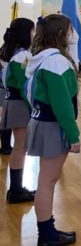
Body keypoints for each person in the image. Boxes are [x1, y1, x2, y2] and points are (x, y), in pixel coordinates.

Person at [25, 14, 81, 245]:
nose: (72, 35)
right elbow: (62, 104)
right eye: (70, 30)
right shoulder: (56, 62)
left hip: (42, 121)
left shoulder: (42, 58)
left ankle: (47, 231)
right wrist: (73, 134)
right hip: (52, 126)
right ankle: (47, 236)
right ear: (61, 33)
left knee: (47, 180)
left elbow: (27, 93)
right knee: (47, 182)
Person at [1, 18, 35, 203]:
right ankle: (15, 190)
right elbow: (25, 87)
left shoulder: (14, 53)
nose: (34, 35)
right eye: (32, 31)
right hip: (19, 104)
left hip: (13, 102)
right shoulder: (22, 56)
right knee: (20, 148)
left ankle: (16, 188)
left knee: (19, 148)